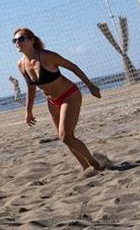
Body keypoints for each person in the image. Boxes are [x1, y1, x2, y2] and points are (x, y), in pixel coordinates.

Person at [13, 27, 107, 174]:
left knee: (65, 136)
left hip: (69, 95)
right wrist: (28, 111)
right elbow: (31, 88)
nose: (17, 42)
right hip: (52, 101)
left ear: (32, 40)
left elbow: (72, 67)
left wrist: (90, 86)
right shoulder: (21, 64)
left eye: (21, 39)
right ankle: (86, 168)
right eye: (15, 40)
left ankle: (95, 164)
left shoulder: (47, 56)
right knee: (64, 138)